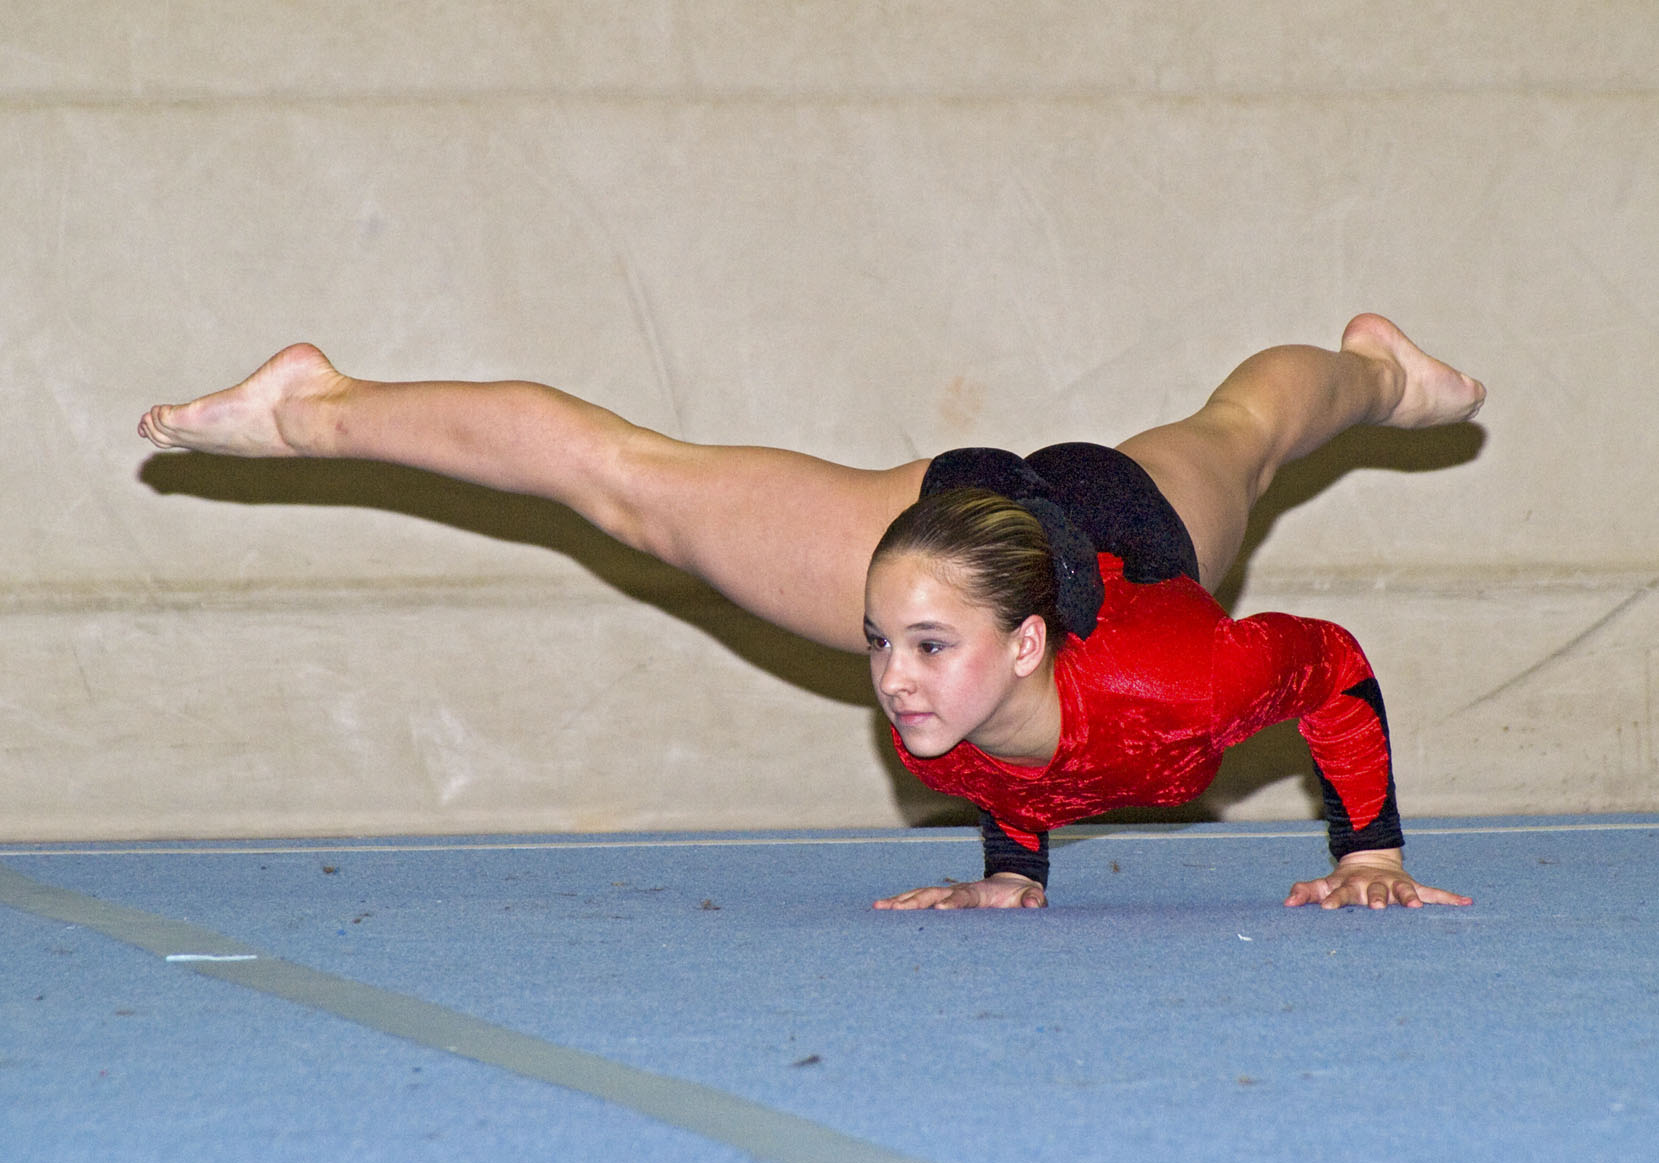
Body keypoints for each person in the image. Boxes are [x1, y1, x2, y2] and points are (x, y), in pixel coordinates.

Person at [138, 314, 1484, 912]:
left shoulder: (1183, 679)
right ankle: (311, 407)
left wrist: (1369, 849)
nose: (892, 683)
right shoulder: (928, 660)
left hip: (1130, 530)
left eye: (924, 653)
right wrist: (1016, 866)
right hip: (961, 526)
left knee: (1244, 429)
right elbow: (1012, 734)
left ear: (1025, 642)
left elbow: (1330, 667)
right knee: (635, 493)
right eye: (879, 645)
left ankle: (1381, 369)